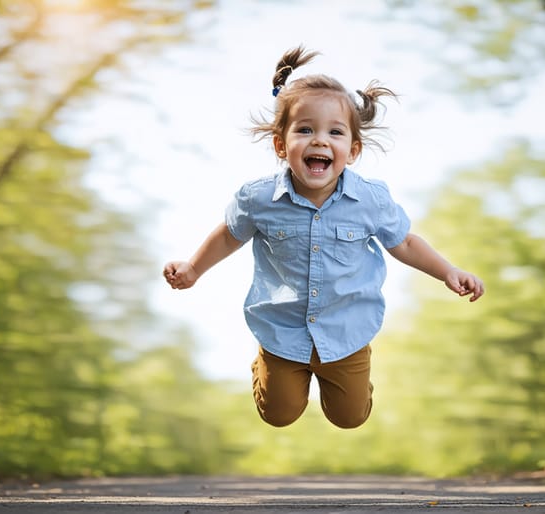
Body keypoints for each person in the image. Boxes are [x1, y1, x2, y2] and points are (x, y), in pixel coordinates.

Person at [163, 45, 484, 429]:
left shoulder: (369, 199)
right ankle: (266, 366)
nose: (319, 140)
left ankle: (352, 384)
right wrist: (193, 269)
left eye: (335, 131)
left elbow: (405, 242)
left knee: (350, 418)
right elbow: (229, 236)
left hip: (346, 330)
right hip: (282, 331)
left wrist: (447, 270)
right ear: (282, 145)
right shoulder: (259, 198)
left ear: (353, 149)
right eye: (305, 129)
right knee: (278, 415)